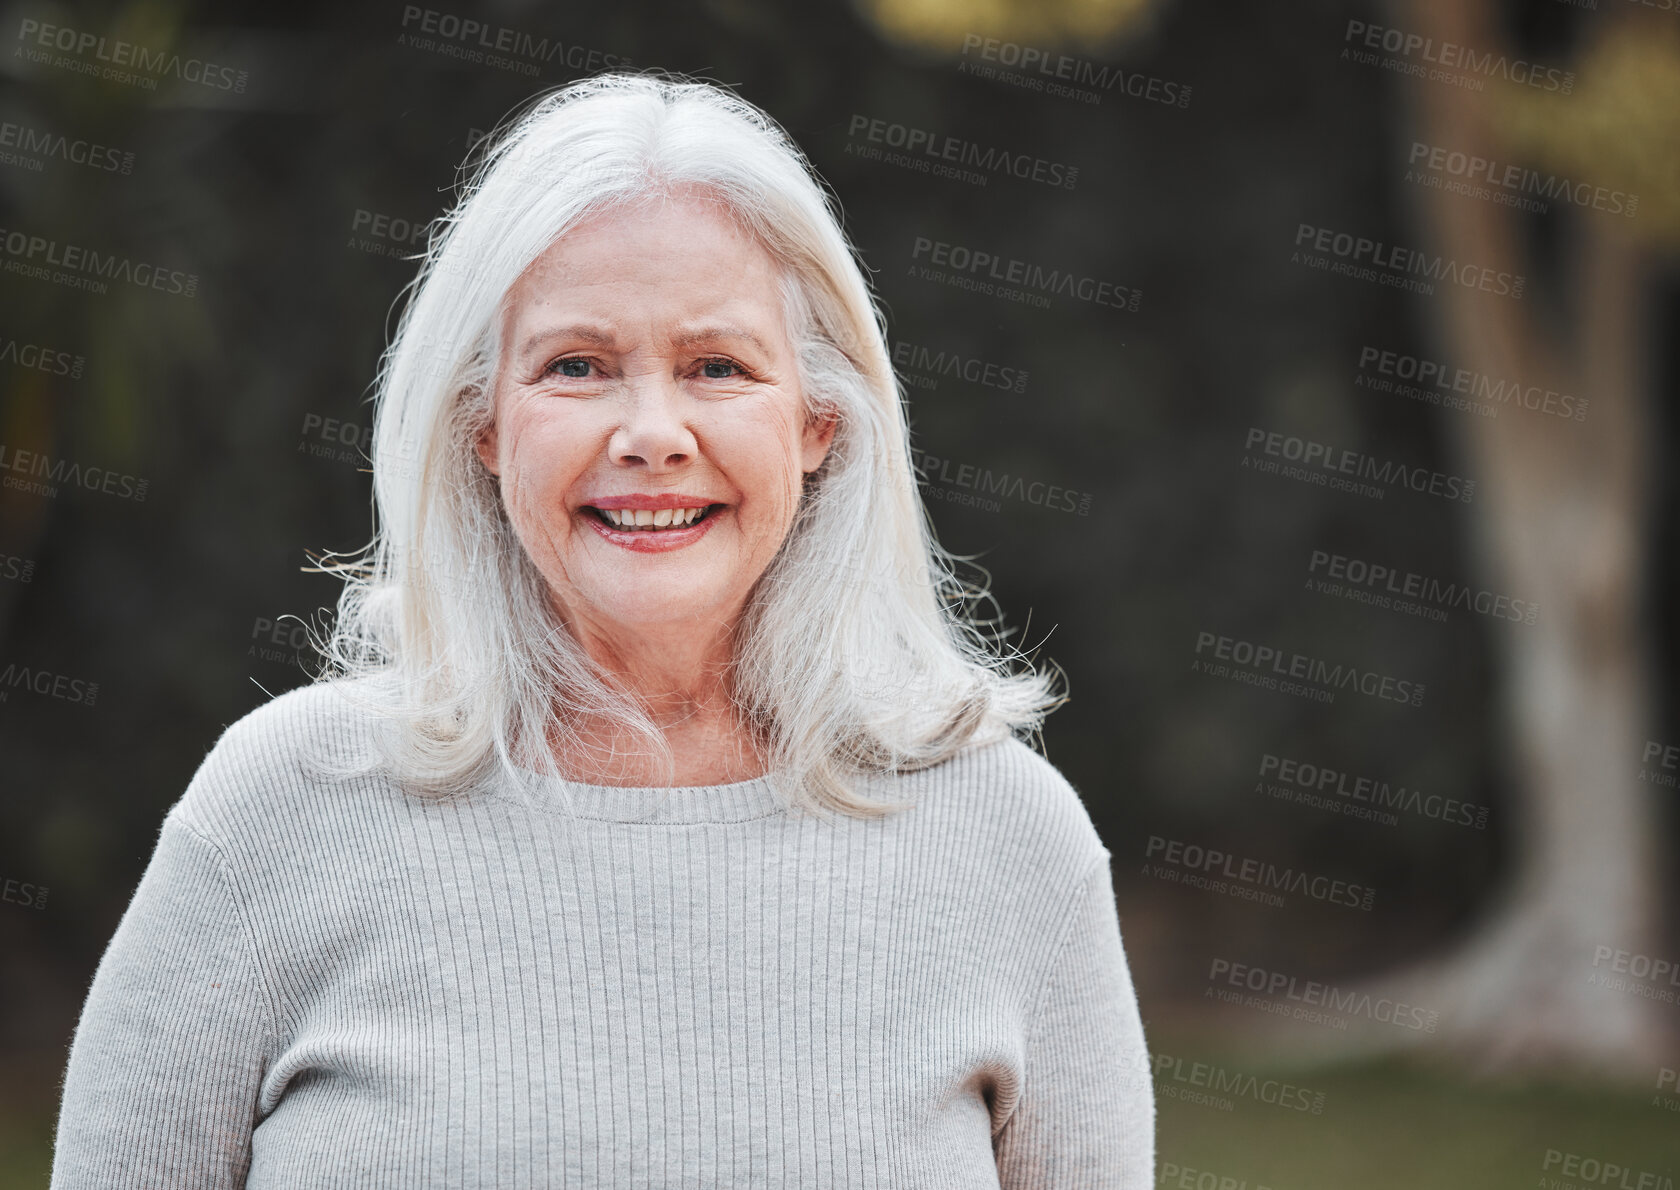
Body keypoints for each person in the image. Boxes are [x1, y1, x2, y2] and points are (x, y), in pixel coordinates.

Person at [50, 69, 1154, 1188]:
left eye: (717, 367)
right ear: (480, 423)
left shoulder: (1009, 838)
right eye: (576, 366)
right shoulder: (278, 809)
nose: (651, 432)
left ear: (820, 421)